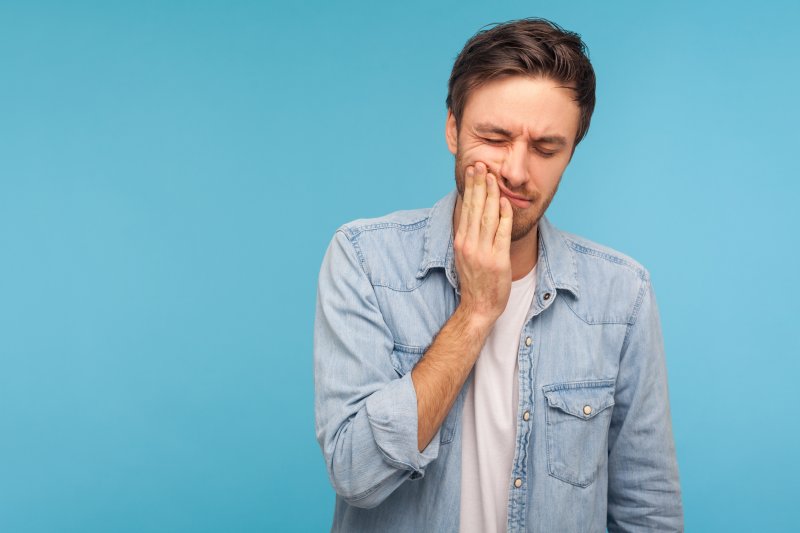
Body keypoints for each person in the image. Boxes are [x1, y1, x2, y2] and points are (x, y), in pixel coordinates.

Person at [314, 17, 683, 532]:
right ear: (452, 130)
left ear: (572, 151)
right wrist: (477, 312)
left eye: (546, 147)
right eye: (494, 137)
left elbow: (648, 510)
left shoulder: (622, 296)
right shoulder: (364, 260)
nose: (515, 170)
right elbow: (356, 473)